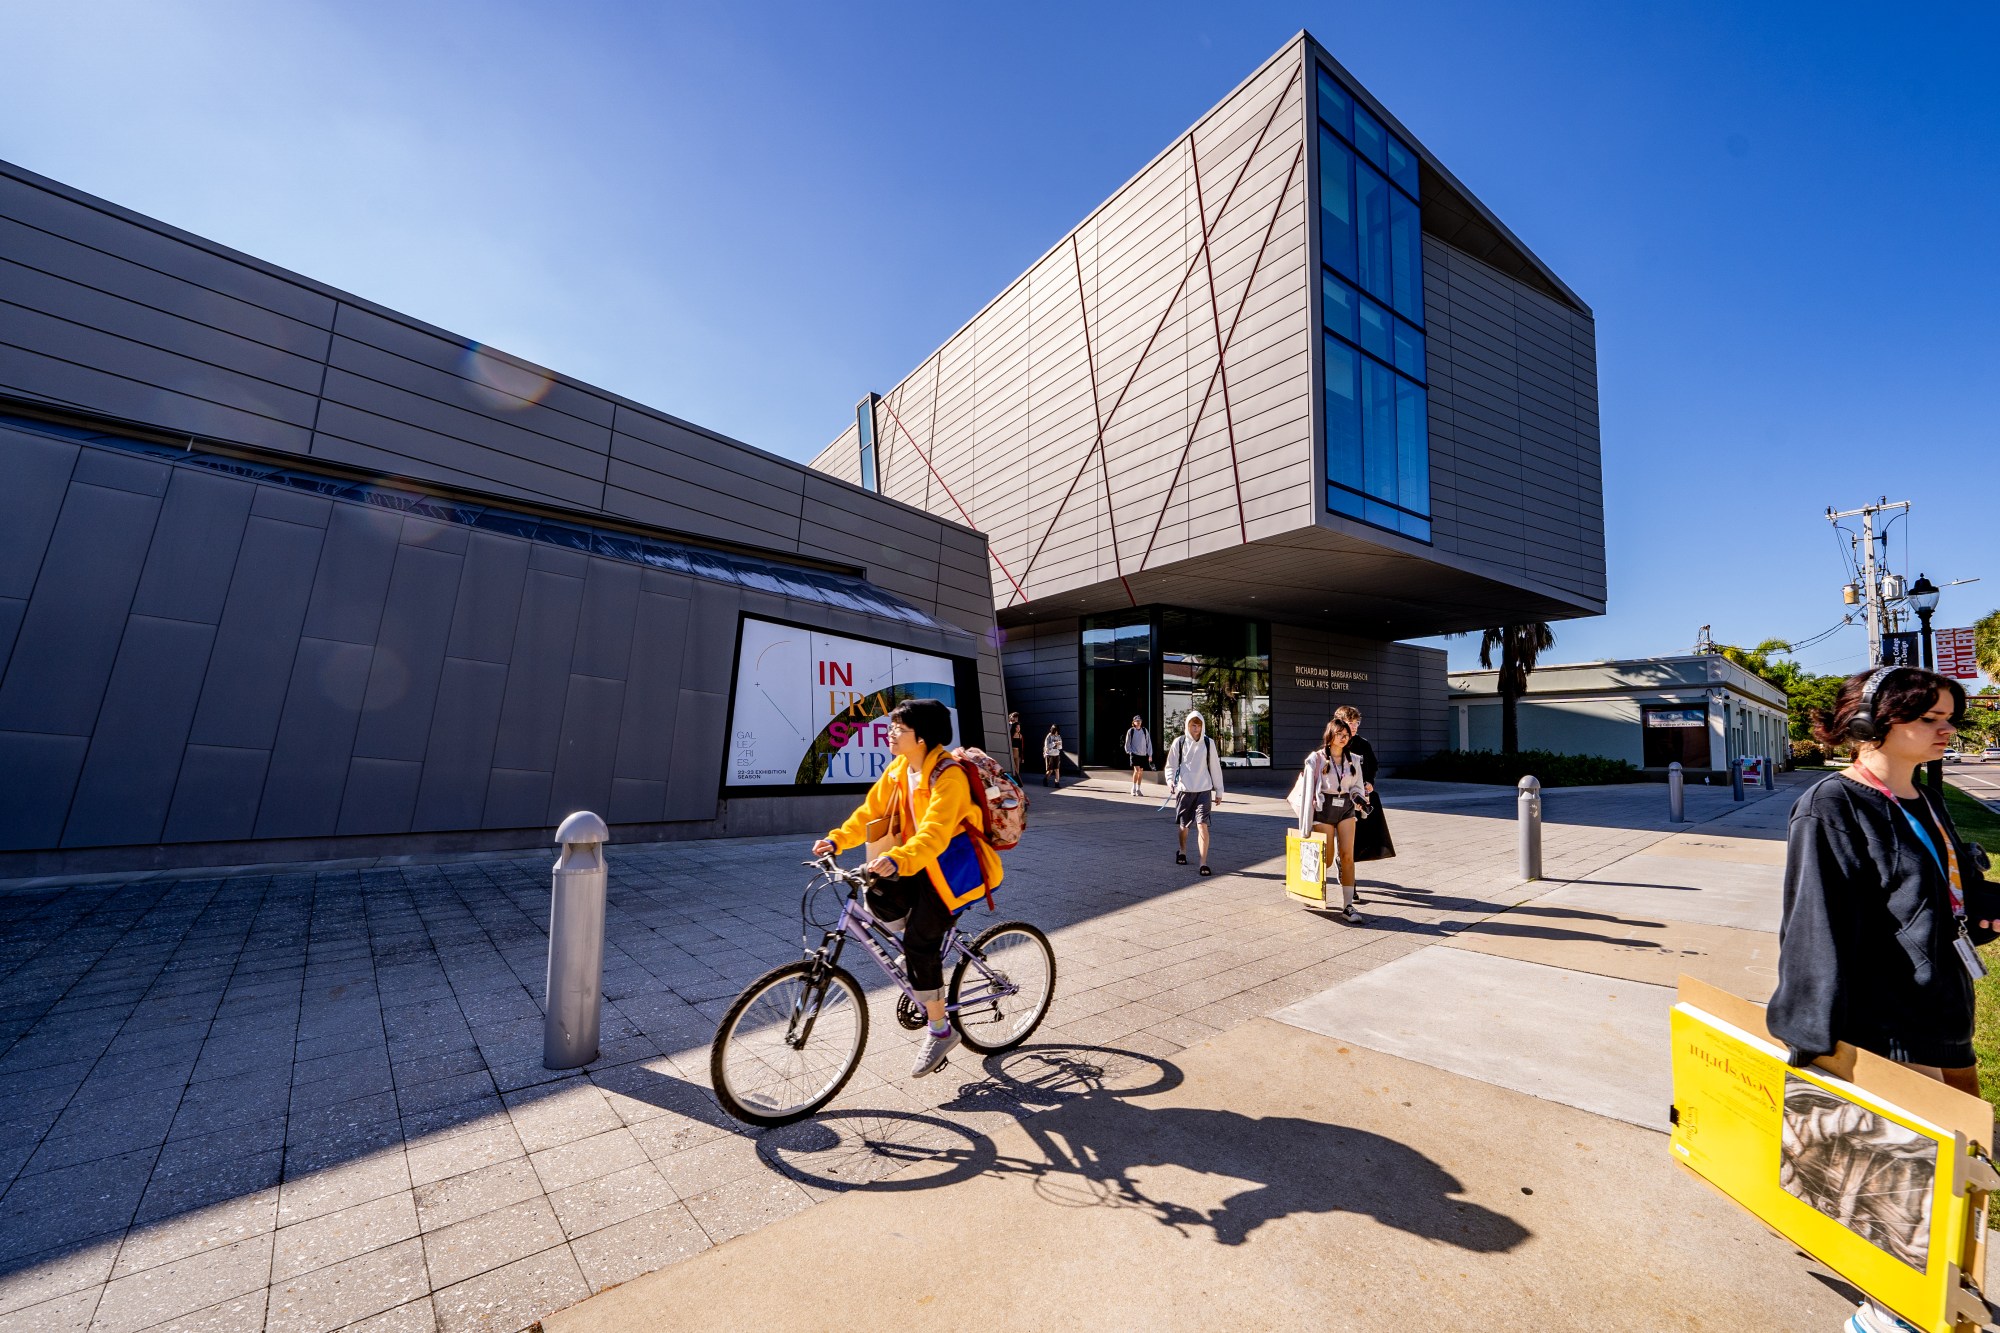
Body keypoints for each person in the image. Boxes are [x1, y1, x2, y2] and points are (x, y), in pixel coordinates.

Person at [1765, 667, 1995, 1333]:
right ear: (1874, 723)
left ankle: (1916, 1300)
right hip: (1887, 1023)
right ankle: (1886, 1315)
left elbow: (1929, 886)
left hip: (1945, 1008)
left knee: (1964, 1171)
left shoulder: (1922, 795)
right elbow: (1815, 926)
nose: (1947, 727)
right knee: (1913, 1189)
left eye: (1949, 714)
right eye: (1930, 717)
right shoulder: (1831, 805)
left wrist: (1979, 907)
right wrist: (1812, 1043)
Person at [815, 698, 1002, 1079]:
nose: (890, 733)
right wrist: (837, 840)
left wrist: (898, 859)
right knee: (876, 893)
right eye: (892, 727)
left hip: (955, 869)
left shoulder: (948, 776)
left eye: (899, 728)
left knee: (919, 943)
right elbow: (871, 813)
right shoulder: (901, 767)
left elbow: (934, 834)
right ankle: (922, 957)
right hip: (918, 860)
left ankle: (940, 1030)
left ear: (922, 737)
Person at [1292, 717, 1367, 922]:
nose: (1343, 738)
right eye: (1339, 735)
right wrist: (1305, 824)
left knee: (1347, 856)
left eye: (1346, 735)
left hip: (1346, 808)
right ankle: (1310, 888)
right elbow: (1308, 791)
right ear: (1330, 735)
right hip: (1323, 809)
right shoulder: (1316, 759)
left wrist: (1359, 798)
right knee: (1326, 856)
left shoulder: (1354, 760)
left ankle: (1348, 906)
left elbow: (1357, 786)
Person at [1164, 711, 1225, 875]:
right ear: (1188, 725)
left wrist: (1219, 790)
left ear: (1202, 725)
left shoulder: (1208, 743)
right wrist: (1171, 782)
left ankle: (1203, 862)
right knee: (1184, 826)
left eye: (1198, 724)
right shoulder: (1179, 742)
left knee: (1202, 825)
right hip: (1184, 791)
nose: (1196, 727)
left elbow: (1215, 768)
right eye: (1193, 724)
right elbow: (1170, 766)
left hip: (1204, 791)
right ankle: (1182, 850)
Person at [1337, 705, 1396, 870]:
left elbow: (1373, 765)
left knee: (1359, 839)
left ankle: (1347, 870)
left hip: (1361, 798)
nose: (1354, 726)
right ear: (1339, 723)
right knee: (1345, 840)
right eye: (1350, 722)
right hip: (1340, 801)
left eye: (1357, 722)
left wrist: (1370, 781)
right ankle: (1344, 868)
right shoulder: (1334, 745)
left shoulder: (1363, 744)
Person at [1123, 715, 1154, 796]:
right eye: (1136, 721)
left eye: (1139, 720)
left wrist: (1150, 754)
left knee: (1141, 772)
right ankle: (1133, 788)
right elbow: (1127, 742)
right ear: (1134, 722)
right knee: (1136, 771)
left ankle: (1138, 789)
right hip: (1134, 754)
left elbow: (1149, 742)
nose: (1138, 722)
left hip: (1143, 754)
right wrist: (1129, 752)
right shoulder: (1131, 731)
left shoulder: (1144, 730)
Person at [1043, 724, 1064, 788]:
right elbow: (1047, 746)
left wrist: (1059, 745)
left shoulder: (1059, 736)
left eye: (1057, 731)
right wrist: (1054, 743)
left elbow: (1060, 747)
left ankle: (1057, 783)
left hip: (1056, 754)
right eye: (1055, 730)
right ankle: (1045, 779)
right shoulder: (1049, 736)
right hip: (1050, 754)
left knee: (1057, 769)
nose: (1056, 732)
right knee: (1050, 770)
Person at [1008, 711, 1024, 777]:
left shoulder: (1020, 736)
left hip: (1017, 752)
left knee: (1017, 769)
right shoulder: (1010, 726)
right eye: (1014, 717)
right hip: (1011, 751)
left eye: (1016, 718)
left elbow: (1022, 747)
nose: (1015, 719)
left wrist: (1022, 757)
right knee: (1013, 768)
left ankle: (1017, 782)